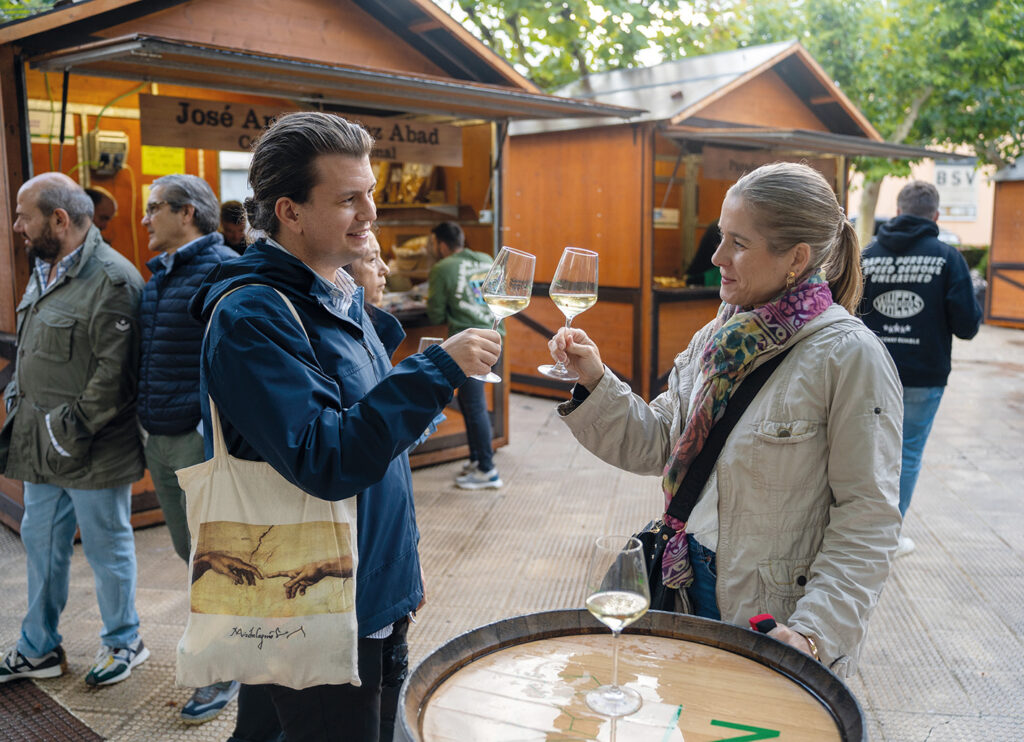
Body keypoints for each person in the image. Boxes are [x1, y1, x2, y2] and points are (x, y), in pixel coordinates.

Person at [189, 111, 500, 742]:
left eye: (373, 195)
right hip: (312, 600)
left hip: (369, 587)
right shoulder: (251, 316)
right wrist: (437, 368)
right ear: (290, 212)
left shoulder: (338, 292)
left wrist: (375, 316)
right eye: (349, 199)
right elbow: (326, 458)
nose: (371, 214)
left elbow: (372, 423)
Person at [547, 162, 903, 677]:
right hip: (683, 581)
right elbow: (659, 443)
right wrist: (594, 381)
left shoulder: (849, 357)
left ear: (796, 259)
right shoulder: (719, 337)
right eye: (719, 237)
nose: (716, 258)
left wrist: (813, 633)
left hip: (770, 616)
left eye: (738, 242)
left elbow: (867, 519)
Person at [0, 173, 148, 687]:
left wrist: (70, 430)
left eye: (25, 215)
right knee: (41, 548)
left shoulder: (113, 279)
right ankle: (38, 648)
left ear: (59, 220)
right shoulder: (46, 269)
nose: (17, 225)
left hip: (92, 449)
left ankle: (125, 641)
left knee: (108, 549)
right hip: (41, 447)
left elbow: (115, 376)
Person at [137, 173, 240, 723]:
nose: (146, 219)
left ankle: (223, 670)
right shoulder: (159, 276)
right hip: (159, 436)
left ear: (187, 213)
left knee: (212, 560)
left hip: (196, 438)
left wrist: (206, 427)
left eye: (154, 208)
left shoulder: (221, 267)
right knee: (190, 554)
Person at [859, 181, 982, 557]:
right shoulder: (948, 258)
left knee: (860, 452)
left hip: (868, 372)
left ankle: (854, 536)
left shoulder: (866, 255)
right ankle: (886, 540)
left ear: (897, 211)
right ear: (936, 216)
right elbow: (967, 327)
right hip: (923, 375)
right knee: (907, 454)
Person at [426, 221, 502, 489]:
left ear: (441, 244)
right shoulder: (486, 259)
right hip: (495, 339)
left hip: (469, 344)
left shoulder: (442, 268)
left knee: (473, 406)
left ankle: (487, 470)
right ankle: (476, 458)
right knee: (474, 406)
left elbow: (434, 314)